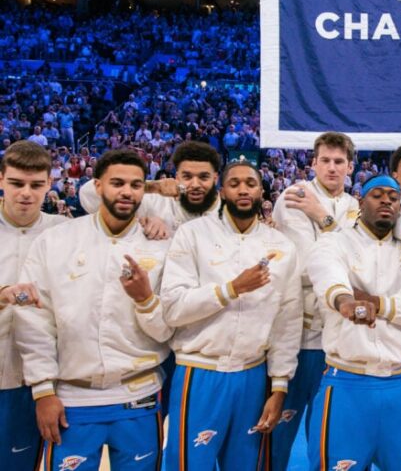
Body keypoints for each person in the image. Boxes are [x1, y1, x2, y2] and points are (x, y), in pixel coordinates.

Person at [15, 149, 173, 471]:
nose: (127, 192)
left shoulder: (162, 245)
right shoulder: (57, 240)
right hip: (72, 397)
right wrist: (43, 390)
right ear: (97, 186)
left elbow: (168, 328)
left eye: (136, 184)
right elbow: (34, 318)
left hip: (139, 393)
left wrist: (146, 300)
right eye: (117, 183)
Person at [160, 160, 302, 471]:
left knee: (246, 465)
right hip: (199, 371)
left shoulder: (281, 246)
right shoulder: (191, 234)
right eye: (234, 183)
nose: (243, 189)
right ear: (221, 190)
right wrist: (231, 289)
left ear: (261, 191)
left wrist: (279, 385)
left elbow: (287, 321)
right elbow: (172, 308)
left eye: (250, 183)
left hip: (253, 374)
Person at [305, 175, 401, 470]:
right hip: (347, 382)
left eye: (393, 197)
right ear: (361, 202)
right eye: (377, 195)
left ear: (400, 208)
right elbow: (328, 277)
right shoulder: (334, 242)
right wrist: (345, 301)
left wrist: (377, 303)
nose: (386, 201)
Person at [270, 132, 359, 471]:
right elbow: (308, 266)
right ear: (313, 163)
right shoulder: (294, 195)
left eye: (339, 162)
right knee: (278, 437)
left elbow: (357, 266)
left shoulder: (354, 205)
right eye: (325, 160)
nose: (332, 168)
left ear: (350, 166)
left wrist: (322, 216)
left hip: (337, 338)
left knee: (328, 439)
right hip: (296, 334)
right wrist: (339, 240)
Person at [0, 142, 68, 471]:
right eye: (16, 183)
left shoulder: (65, 232)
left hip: (33, 383)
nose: (26, 193)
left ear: (50, 183)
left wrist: (152, 222)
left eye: (36, 185)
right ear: (1, 180)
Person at [79, 141, 222, 231]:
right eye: (187, 177)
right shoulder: (156, 201)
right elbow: (88, 195)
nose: (195, 184)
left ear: (215, 178)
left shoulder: (229, 212)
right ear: (177, 177)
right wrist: (150, 187)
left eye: (204, 177)